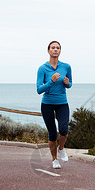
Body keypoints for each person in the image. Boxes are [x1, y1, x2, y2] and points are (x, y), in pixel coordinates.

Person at [36, 41, 72, 169]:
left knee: (64, 129)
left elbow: (70, 83)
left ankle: (61, 148)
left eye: (58, 48)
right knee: (52, 134)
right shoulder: (42, 68)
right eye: (53, 48)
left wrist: (67, 83)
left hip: (62, 103)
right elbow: (39, 89)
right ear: (48, 51)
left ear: (60, 51)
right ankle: (54, 159)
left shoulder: (66, 67)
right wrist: (51, 81)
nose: (55, 50)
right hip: (47, 104)